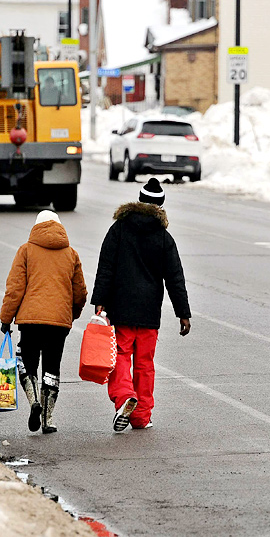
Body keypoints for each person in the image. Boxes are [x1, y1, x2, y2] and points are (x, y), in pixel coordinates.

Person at [92, 178, 191, 432]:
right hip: (149, 313)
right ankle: (141, 417)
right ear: (160, 206)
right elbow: (175, 278)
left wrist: (100, 300)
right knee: (145, 364)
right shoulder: (163, 238)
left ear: (139, 200)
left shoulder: (119, 229)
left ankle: (125, 398)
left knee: (121, 357)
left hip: (122, 309)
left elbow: (106, 267)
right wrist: (183, 313)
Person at [0, 210, 88, 434]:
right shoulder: (71, 254)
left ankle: (33, 403)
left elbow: (15, 288)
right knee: (52, 367)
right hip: (59, 323)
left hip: (30, 321)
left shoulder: (26, 251)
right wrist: (71, 314)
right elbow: (80, 292)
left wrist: (6, 318)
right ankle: (48, 420)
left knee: (26, 361)